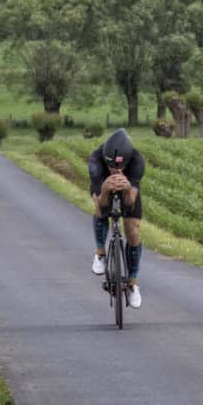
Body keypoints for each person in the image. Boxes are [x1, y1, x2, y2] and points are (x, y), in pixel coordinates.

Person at [88, 128, 145, 308]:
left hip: (127, 189)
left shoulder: (137, 161)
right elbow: (101, 204)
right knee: (100, 211)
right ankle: (100, 253)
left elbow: (130, 203)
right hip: (102, 188)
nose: (115, 171)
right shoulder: (96, 161)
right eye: (111, 167)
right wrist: (105, 189)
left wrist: (127, 189)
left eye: (119, 168)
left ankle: (132, 283)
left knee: (132, 230)